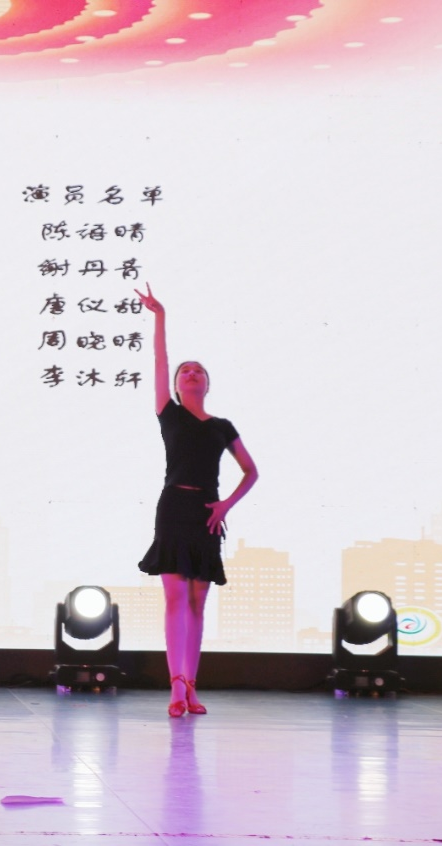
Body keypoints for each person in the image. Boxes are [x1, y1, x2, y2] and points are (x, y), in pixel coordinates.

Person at [135, 283, 258, 718]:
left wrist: (225, 506)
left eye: (198, 371)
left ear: (207, 384)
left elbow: (251, 471)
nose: (190, 374)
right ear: (176, 385)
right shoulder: (168, 413)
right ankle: (175, 686)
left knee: (197, 601)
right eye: (184, 371)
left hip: (207, 512)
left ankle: (191, 685)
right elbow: (159, 360)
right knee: (174, 597)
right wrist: (160, 316)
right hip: (173, 508)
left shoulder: (222, 425)